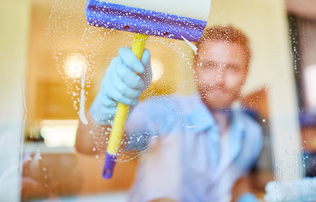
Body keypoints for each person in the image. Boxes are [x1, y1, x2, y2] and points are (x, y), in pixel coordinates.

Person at [76, 26, 263, 202]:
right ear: (194, 69)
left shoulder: (252, 133)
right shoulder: (163, 113)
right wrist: (105, 108)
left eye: (232, 68)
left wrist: (245, 196)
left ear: (246, 74)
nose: (219, 79)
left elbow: (237, 177)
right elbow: (87, 143)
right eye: (209, 65)